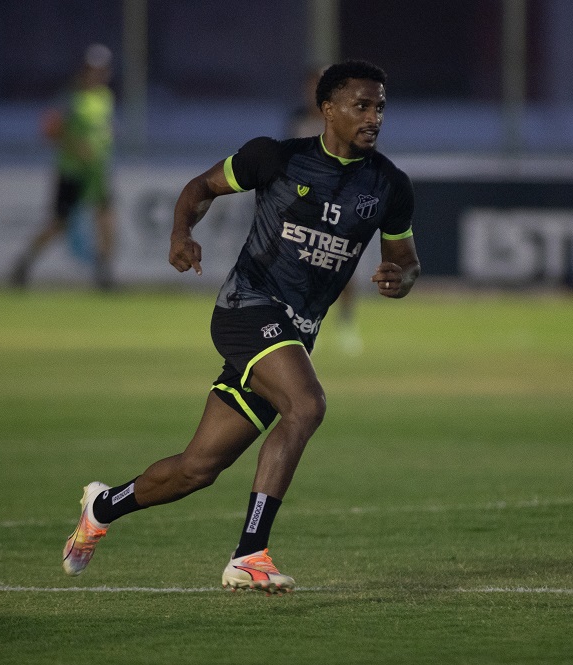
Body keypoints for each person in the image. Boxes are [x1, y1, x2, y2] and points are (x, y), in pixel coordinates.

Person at [61, 60, 421, 593]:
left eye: (380, 107)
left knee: (196, 469)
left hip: (295, 333)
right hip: (246, 306)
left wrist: (402, 276)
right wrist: (181, 233)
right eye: (361, 106)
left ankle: (103, 506)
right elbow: (199, 187)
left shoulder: (389, 185)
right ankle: (250, 554)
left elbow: (406, 258)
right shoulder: (275, 158)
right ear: (327, 109)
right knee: (308, 405)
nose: (374, 117)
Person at [11, 44, 118, 290]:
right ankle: (24, 262)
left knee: (106, 218)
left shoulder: (105, 97)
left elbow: (103, 128)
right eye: (93, 70)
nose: (98, 75)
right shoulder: (71, 97)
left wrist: (107, 135)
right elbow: (50, 130)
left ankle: (104, 273)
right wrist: (74, 145)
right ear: (84, 70)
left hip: (97, 171)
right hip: (73, 171)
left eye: (102, 70)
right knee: (58, 223)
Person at [287, 65, 363, 355]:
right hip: (306, 204)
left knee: (343, 266)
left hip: (341, 202)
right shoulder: (298, 120)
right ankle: (302, 328)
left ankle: (346, 326)